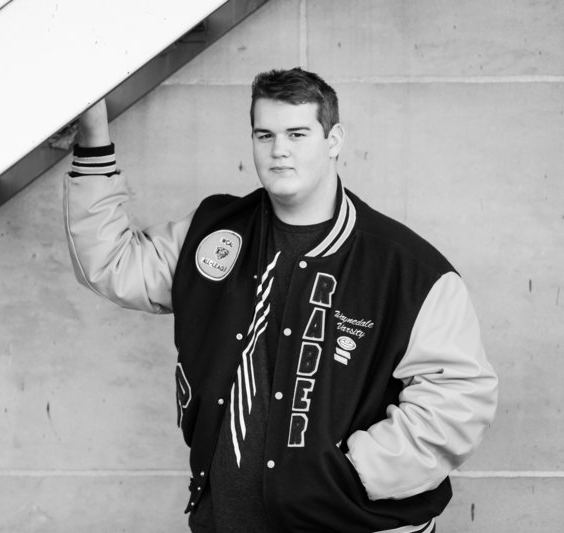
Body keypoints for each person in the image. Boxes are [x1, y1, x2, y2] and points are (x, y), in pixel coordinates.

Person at [64, 68, 498, 533]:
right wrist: (93, 136)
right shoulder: (216, 232)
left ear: (334, 139)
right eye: (264, 134)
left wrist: (349, 475)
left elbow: (459, 400)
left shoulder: (408, 269)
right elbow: (114, 264)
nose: (279, 150)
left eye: (297, 133)